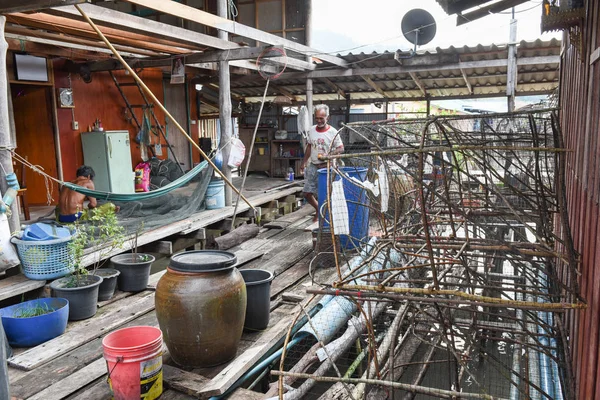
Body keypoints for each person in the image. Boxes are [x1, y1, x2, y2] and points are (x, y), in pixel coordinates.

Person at [300, 104, 344, 222]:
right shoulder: (311, 130)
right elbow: (309, 146)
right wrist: (304, 162)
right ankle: (319, 210)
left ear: (327, 118)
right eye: (317, 118)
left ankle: (327, 216)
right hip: (314, 165)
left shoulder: (333, 132)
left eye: (321, 118)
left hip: (328, 166)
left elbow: (341, 148)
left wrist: (328, 155)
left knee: (326, 193)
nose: (319, 120)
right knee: (307, 193)